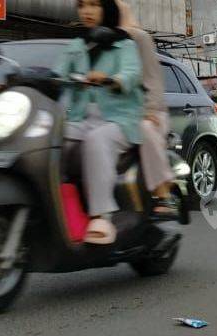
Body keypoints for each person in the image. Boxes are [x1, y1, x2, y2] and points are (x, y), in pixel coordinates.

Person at [55, 0, 143, 244]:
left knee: (96, 139)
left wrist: (111, 78)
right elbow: (57, 75)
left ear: (107, 10)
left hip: (119, 119)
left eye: (94, 5)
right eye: (82, 5)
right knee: (53, 140)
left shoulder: (124, 45)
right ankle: (59, 203)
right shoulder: (75, 45)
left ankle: (101, 215)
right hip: (78, 117)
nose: (87, 11)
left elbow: (133, 73)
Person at [116, 0, 179, 217]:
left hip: (146, 112)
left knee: (144, 128)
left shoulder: (138, 38)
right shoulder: (89, 42)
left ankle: (163, 193)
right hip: (109, 112)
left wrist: (148, 109)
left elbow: (152, 81)